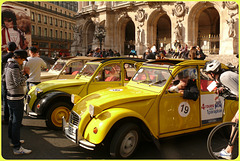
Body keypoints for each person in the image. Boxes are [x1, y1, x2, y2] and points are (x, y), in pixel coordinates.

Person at [203, 60, 239, 159]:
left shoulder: (224, 77)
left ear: (212, 73)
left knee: (236, 121)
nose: (207, 76)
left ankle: (228, 151)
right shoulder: (223, 77)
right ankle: (228, 151)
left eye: (207, 74)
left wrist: (229, 96)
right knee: (235, 122)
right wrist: (225, 91)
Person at [4, 49, 32, 155]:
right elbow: (18, 83)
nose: (23, 62)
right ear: (19, 58)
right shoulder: (14, 66)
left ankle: (13, 140)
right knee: (16, 122)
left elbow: (7, 79)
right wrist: (26, 75)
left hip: (10, 96)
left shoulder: (8, 64)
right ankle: (17, 148)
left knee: (12, 120)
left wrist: (21, 73)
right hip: (16, 97)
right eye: (23, 60)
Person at [2, 42, 17, 124]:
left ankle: (6, 118)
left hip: (5, 80)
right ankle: (14, 118)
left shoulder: (3, 57)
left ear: (7, 48)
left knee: (5, 100)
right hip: (13, 81)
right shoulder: (17, 57)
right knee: (14, 100)